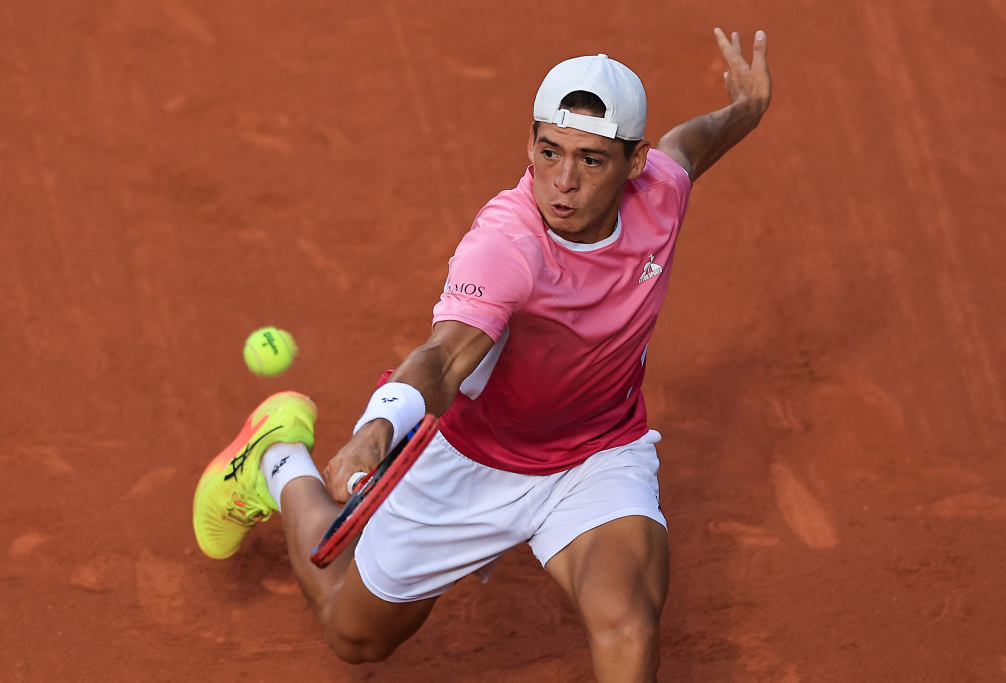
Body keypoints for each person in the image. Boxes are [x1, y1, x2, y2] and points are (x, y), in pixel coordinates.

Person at [194, 27, 771, 681]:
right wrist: (376, 427)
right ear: (530, 143)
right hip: (471, 459)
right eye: (550, 152)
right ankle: (275, 459)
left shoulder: (661, 189)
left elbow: (687, 146)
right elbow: (443, 359)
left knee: (629, 624)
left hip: (596, 453)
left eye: (591, 161)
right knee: (354, 634)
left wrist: (744, 111)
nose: (563, 181)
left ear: (633, 163)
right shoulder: (506, 246)